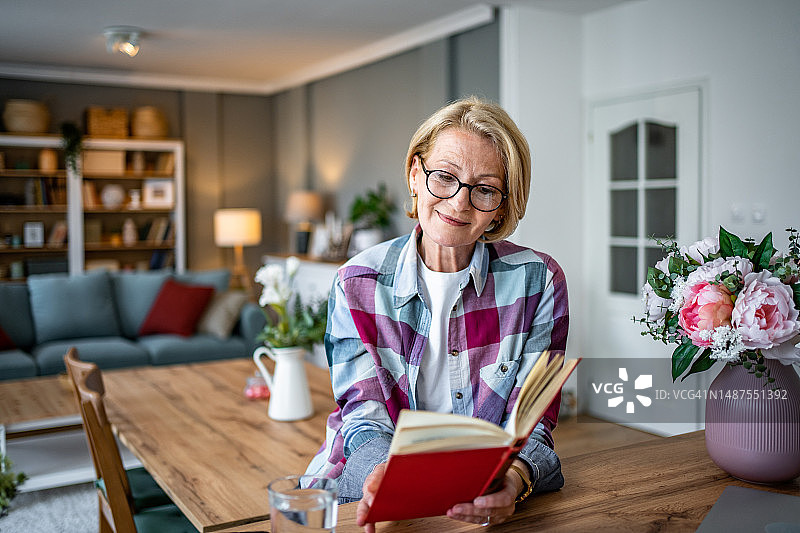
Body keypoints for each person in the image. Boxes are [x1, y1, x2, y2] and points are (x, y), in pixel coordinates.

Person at [304, 96, 569, 531]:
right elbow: (362, 414)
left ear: (501, 206)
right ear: (415, 174)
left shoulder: (538, 281)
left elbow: (534, 416)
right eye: (444, 177)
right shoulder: (357, 282)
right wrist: (384, 478)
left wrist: (517, 480)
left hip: (481, 494)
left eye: (484, 189)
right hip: (370, 480)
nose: (459, 203)